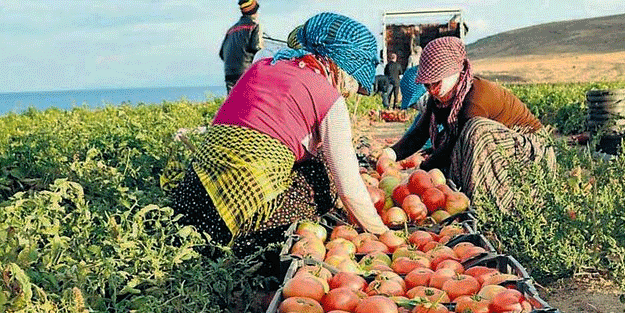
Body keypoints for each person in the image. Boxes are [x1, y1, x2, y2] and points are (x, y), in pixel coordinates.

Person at [171, 12, 389, 259]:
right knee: (323, 175)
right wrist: (382, 235)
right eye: (354, 83)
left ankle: (208, 241)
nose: (351, 93)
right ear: (342, 65)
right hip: (239, 223)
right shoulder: (327, 95)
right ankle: (251, 245)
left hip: (192, 204)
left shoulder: (261, 68)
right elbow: (347, 182)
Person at [381, 36, 555, 211]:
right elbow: (419, 134)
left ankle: (492, 205)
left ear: (455, 73)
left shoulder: (476, 97)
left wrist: (420, 171)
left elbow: (454, 143)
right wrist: (389, 154)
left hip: (527, 153)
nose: (432, 90)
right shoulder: (440, 98)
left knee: (475, 129)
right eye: (427, 86)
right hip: (498, 150)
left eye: (436, 83)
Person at [219, 0, 263, 94]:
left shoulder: (231, 30)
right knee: (248, 104)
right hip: (246, 73)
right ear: (254, 11)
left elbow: (222, 54)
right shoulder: (254, 26)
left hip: (229, 74)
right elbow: (257, 48)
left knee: (232, 103)